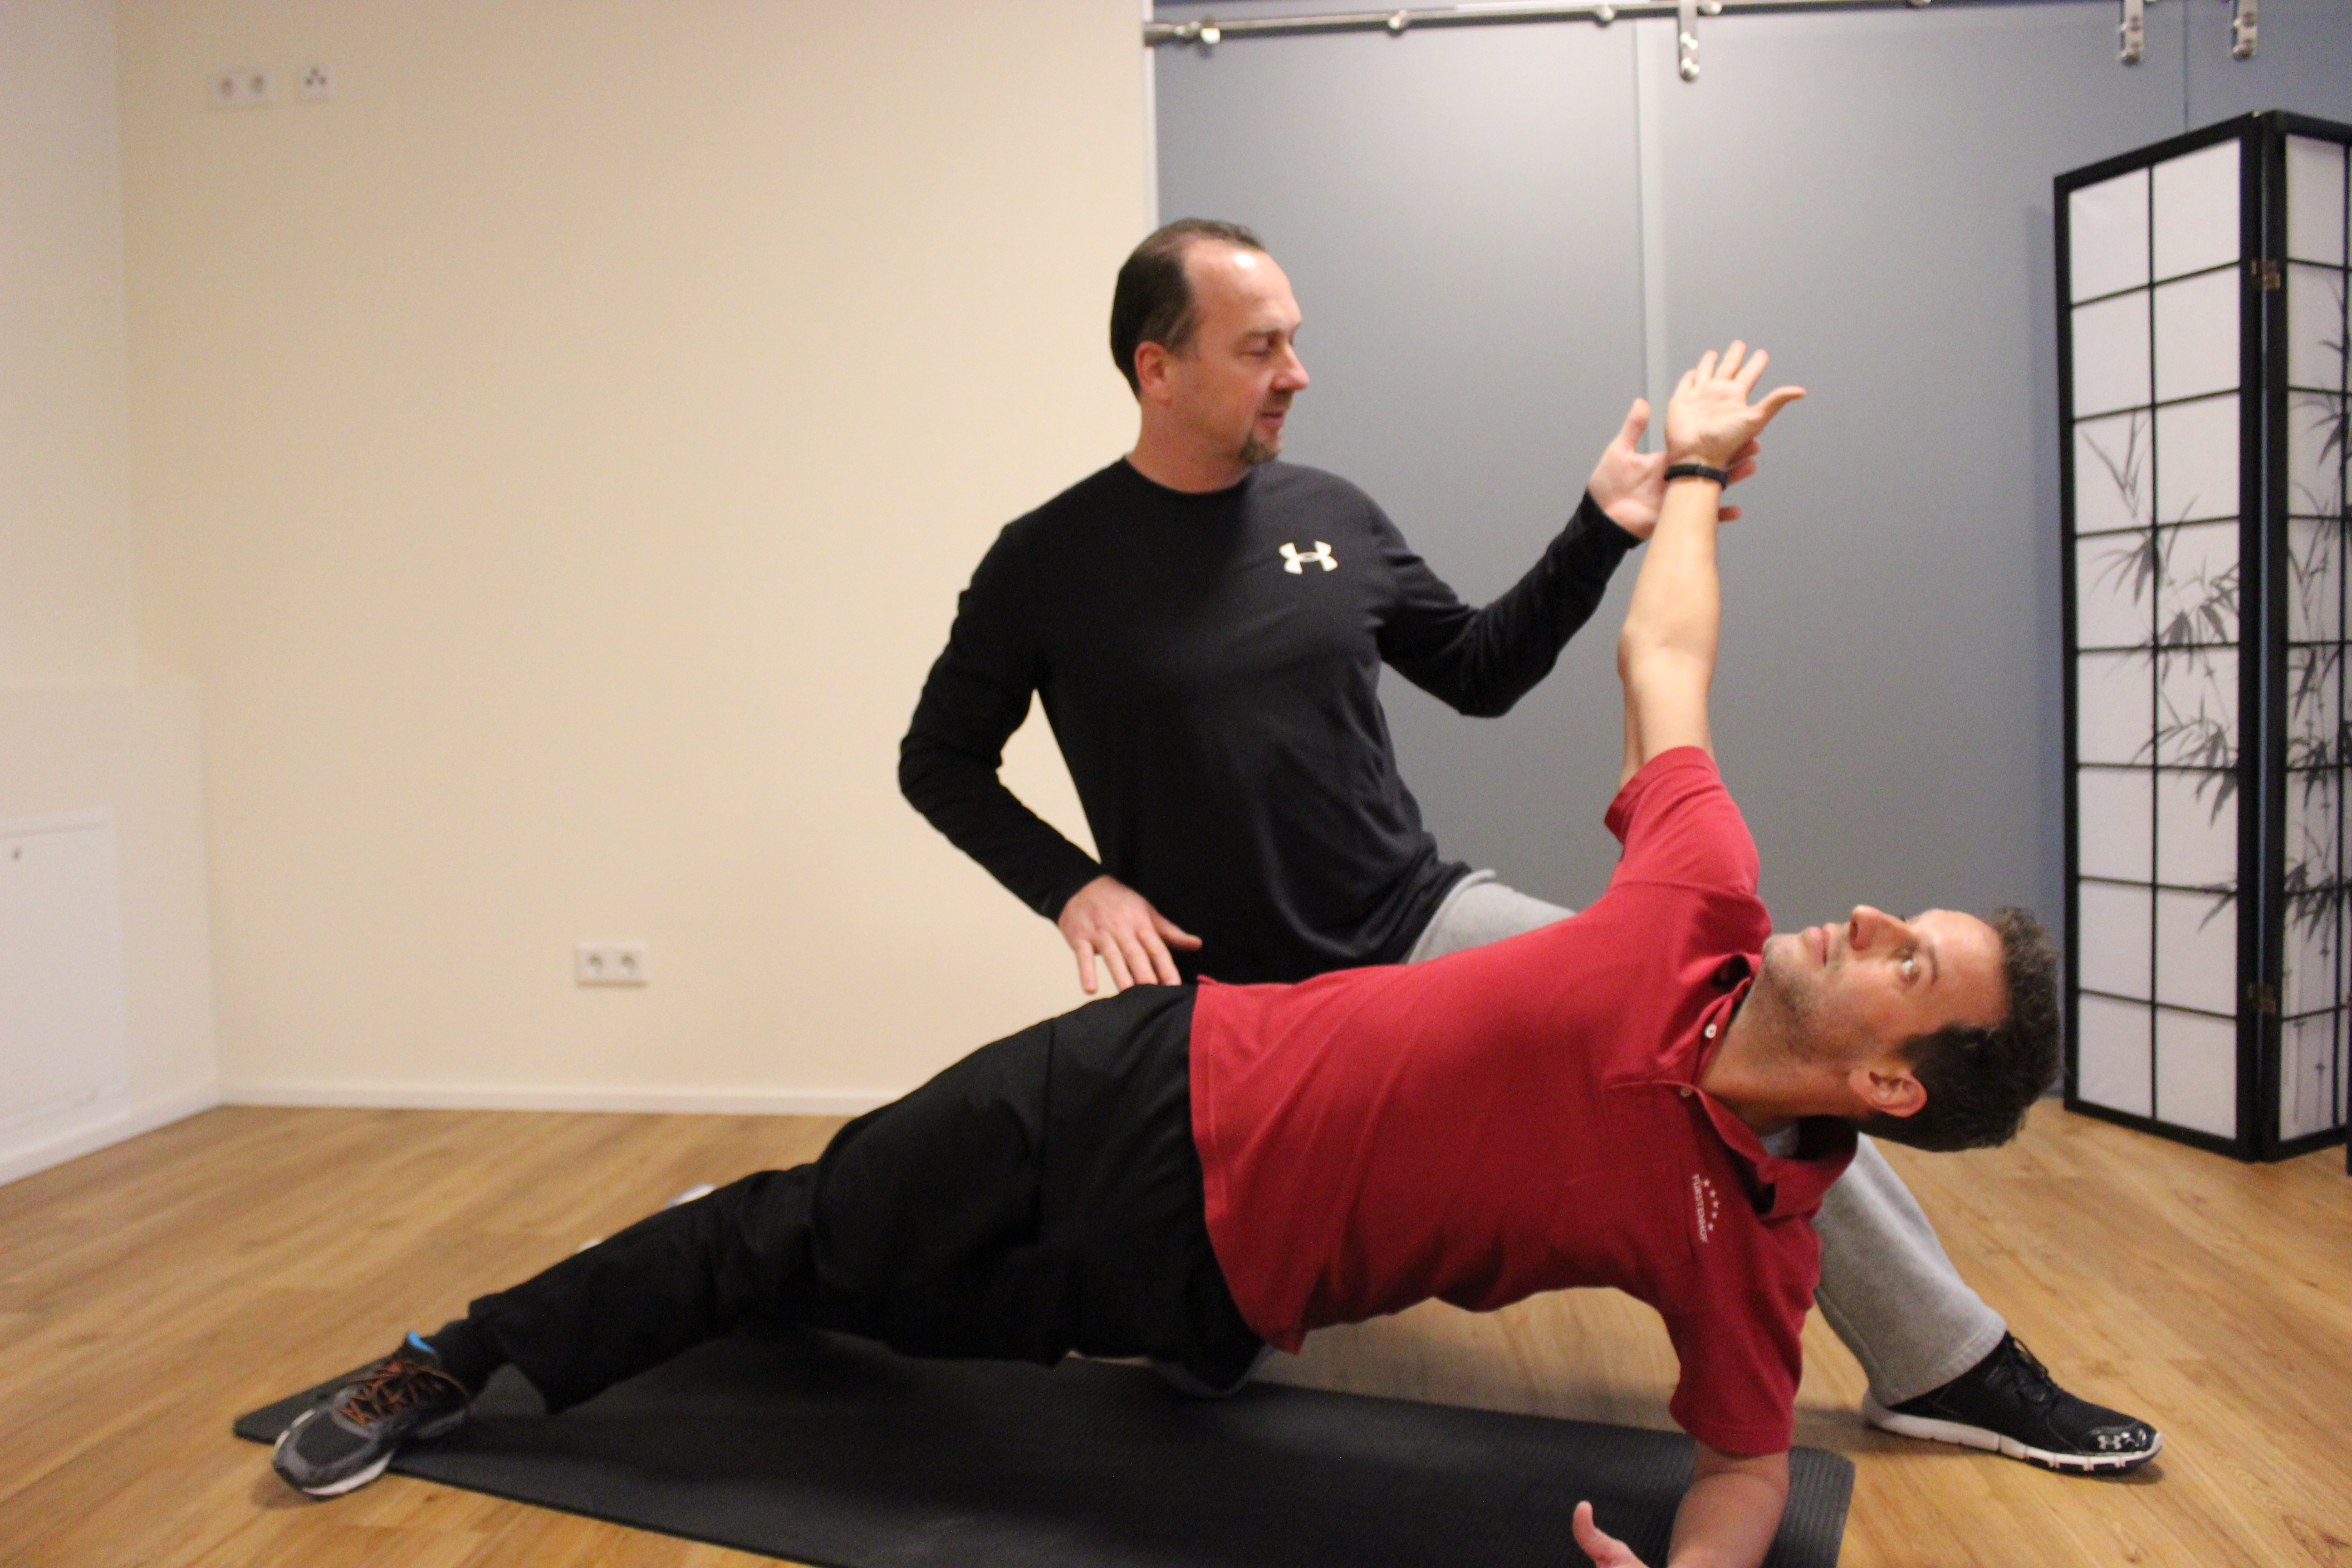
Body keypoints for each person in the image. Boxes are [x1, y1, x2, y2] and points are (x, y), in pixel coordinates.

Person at [279, 349, 2079, 1567]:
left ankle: (719, 1267)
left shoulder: (1739, 1250)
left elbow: (1748, 1460)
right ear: (1161, 357)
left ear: (1886, 1086)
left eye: (1904, 962)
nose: (1858, 920)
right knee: (806, 1225)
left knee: (891, 1311)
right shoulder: (1699, 905)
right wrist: (1682, 474)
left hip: (1208, 1291)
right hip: (1158, 1073)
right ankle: (452, 1358)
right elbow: (1665, 663)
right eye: (1896, 915)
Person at [898, 219, 2158, 1470]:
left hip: (1421, 924)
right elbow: (938, 762)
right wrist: (1075, 888)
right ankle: (821, 1251)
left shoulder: (1328, 514)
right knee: (1192, 1364)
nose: (1297, 372)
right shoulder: (1045, 565)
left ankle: (1949, 1360)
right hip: (1236, 1009)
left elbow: (1480, 671)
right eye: (1260, 346)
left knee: (1747, 1040)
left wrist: (1600, 530)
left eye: (1296, 340)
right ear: (1156, 368)